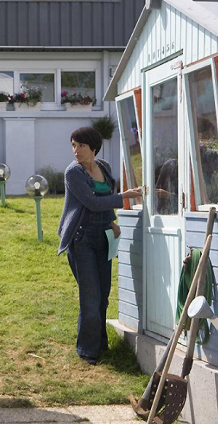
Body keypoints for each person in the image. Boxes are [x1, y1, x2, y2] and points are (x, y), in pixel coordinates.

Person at [57, 127, 142, 365]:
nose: (76, 150)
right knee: (91, 296)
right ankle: (87, 351)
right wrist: (126, 197)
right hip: (81, 238)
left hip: (103, 236)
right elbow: (92, 203)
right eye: (73, 145)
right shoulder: (73, 173)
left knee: (103, 294)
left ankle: (100, 343)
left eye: (81, 146)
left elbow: (104, 200)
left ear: (94, 148)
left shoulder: (103, 166)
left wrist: (111, 220)